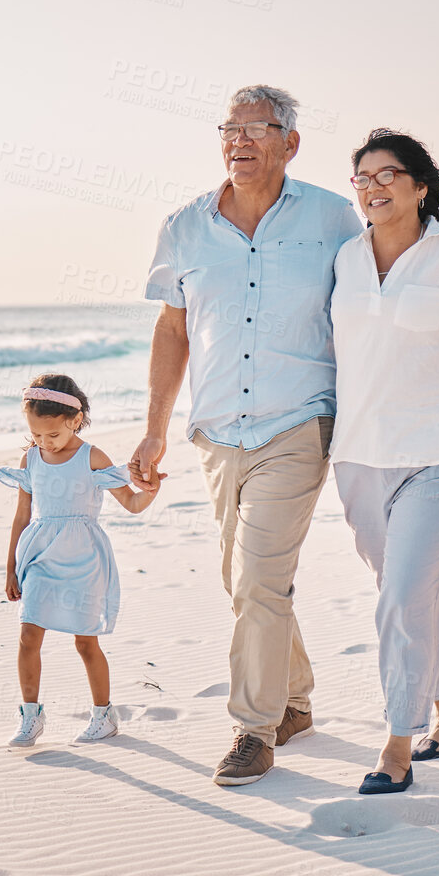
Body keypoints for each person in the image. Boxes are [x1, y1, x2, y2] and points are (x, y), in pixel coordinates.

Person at [131, 84, 363, 786]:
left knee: (260, 579)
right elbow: (172, 326)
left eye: (256, 128)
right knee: (243, 579)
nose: (239, 141)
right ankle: (292, 702)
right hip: (217, 430)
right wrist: (155, 430)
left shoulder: (332, 218)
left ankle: (252, 729)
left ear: (290, 142)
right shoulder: (185, 227)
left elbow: (373, 303)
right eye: (229, 128)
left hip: (299, 421)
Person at [329, 130, 439, 794]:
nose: (373, 186)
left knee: (402, 599)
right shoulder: (343, 258)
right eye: (361, 177)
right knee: (409, 597)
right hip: (360, 454)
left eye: (388, 173)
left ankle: (397, 743)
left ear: (422, 186)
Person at [0, 373, 161, 748]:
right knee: (28, 635)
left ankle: (103, 715)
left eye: (52, 435)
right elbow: (22, 517)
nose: (44, 443)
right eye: (36, 435)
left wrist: (151, 489)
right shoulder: (32, 457)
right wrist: (10, 567)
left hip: (84, 559)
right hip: (39, 555)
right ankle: (30, 716)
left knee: (85, 643)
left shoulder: (93, 458)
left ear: (75, 420)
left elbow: (133, 504)